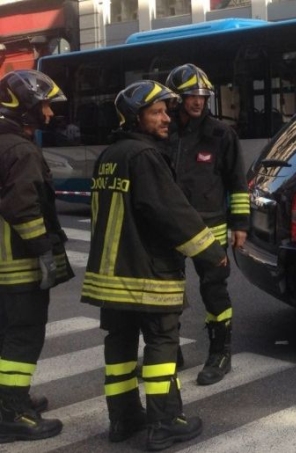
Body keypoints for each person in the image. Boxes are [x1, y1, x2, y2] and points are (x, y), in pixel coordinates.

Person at [80, 80, 227, 450]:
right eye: (157, 112)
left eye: (166, 111)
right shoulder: (144, 157)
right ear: (135, 116)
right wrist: (211, 252)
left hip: (109, 276)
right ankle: (165, 423)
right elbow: (171, 213)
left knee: (119, 345)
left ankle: (124, 419)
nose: (166, 118)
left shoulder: (109, 155)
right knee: (162, 342)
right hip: (147, 273)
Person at [0, 69, 73, 443]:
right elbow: (24, 208)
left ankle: (7, 401)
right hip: (17, 264)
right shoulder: (21, 150)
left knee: (4, 335)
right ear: (24, 107)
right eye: (43, 106)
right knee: (23, 337)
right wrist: (44, 251)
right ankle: (12, 412)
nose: (48, 115)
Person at [165, 64, 249, 386]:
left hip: (210, 229)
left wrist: (240, 224)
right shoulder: (164, 133)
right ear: (177, 98)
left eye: (202, 95)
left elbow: (237, 183)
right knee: (167, 292)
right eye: (190, 96)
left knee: (214, 292)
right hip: (171, 228)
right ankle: (168, 351)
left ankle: (220, 354)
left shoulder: (220, 135)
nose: (198, 102)